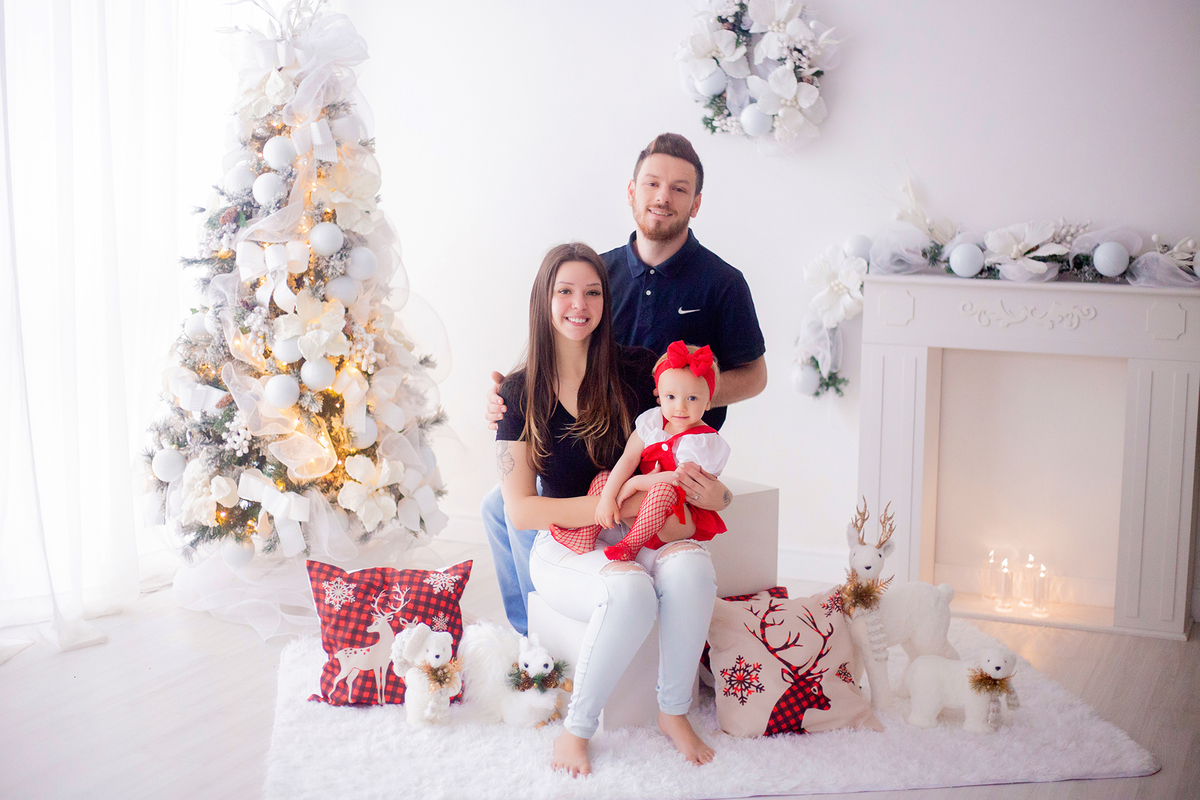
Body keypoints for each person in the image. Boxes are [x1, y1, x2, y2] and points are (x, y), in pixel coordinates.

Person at [483, 132, 767, 633]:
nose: (663, 196)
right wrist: (511, 401)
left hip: (666, 450)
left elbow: (755, 376)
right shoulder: (600, 271)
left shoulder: (722, 283)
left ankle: (565, 621)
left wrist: (681, 406)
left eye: (680, 189)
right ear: (631, 191)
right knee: (501, 506)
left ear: (696, 203)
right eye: (652, 183)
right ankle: (533, 634)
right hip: (587, 439)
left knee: (528, 507)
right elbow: (555, 346)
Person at [496, 243, 718, 775]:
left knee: (693, 569)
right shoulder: (518, 392)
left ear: (605, 299)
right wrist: (605, 506)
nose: (580, 304)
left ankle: (673, 712)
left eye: (592, 292)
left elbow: (694, 420)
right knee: (630, 592)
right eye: (565, 291)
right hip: (561, 545)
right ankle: (577, 730)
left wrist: (719, 496)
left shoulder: (641, 371)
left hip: (640, 531)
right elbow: (523, 512)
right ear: (543, 300)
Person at [549, 341, 731, 563]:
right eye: (671, 397)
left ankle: (630, 546)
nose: (680, 407)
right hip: (645, 510)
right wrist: (607, 497)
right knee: (605, 477)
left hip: (678, 516)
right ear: (659, 395)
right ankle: (585, 535)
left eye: (692, 398)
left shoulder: (703, 441)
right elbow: (628, 458)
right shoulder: (653, 422)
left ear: (709, 401)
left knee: (663, 489)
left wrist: (635, 484)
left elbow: (679, 481)